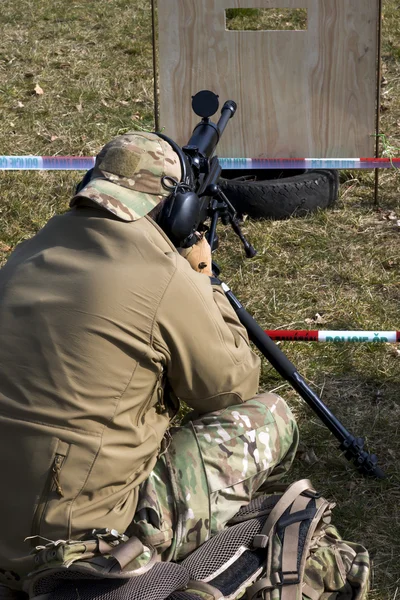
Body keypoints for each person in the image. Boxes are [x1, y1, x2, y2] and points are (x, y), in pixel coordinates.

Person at [0, 132, 299, 593]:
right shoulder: (163, 272)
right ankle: (130, 550)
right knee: (271, 417)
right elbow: (230, 387)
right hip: (69, 545)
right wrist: (203, 280)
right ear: (179, 212)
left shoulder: (26, 251)